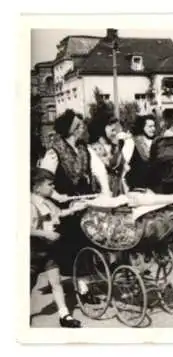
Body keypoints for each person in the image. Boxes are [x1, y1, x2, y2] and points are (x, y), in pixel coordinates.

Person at [37, 109, 106, 275]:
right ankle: (81, 286)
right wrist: (56, 197)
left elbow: (95, 171)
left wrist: (103, 191)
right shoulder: (54, 152)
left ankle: (88, 278)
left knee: (88, 241)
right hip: (65, 203)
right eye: (80, 125)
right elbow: (43, 182)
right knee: (72, 246)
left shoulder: (84, 148)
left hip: (83, 200)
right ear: (73, 129)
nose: (83, 128)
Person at [30, 168, 87, 327]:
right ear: (37, 187)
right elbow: (24, 229)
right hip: (33, 252)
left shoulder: (47, 201)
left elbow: (59, 213)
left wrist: (75, 209)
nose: (53, 188)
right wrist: (45, 234)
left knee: (56, 282)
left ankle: (64, 315)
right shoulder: (30, 204)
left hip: (48, 250)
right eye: (49, 185)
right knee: (28, 284)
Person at [87, 113, 128, 196]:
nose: (115, 133)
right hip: (104, 187)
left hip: (117, 187)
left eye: (116, 130)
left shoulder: (112, 145)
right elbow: (112, 164)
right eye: (112, 130)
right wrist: (119, 145)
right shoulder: (96, 148)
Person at [123, 115, 156, 190]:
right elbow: (124, 165)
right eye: (150, 126)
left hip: (153, 187)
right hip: (137, 187)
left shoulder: (156, 141)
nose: (153, 129)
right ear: (142, 127)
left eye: (154, 126)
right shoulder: (131, 142)